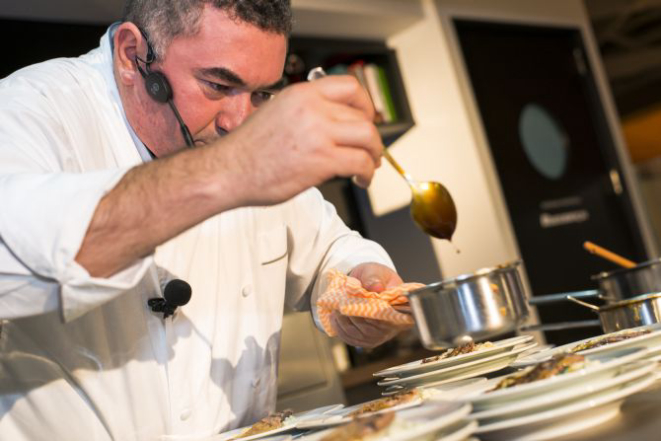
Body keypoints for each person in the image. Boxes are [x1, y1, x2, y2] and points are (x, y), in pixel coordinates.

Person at [0, 0, 411, 439]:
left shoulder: (246, 134)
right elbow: (17, 255)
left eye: (260, 94)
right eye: (217, 85)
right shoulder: (30, 110)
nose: (240, 122)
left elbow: (329, 248)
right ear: (129, 54)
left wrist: (360, 283)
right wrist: (229, 172)